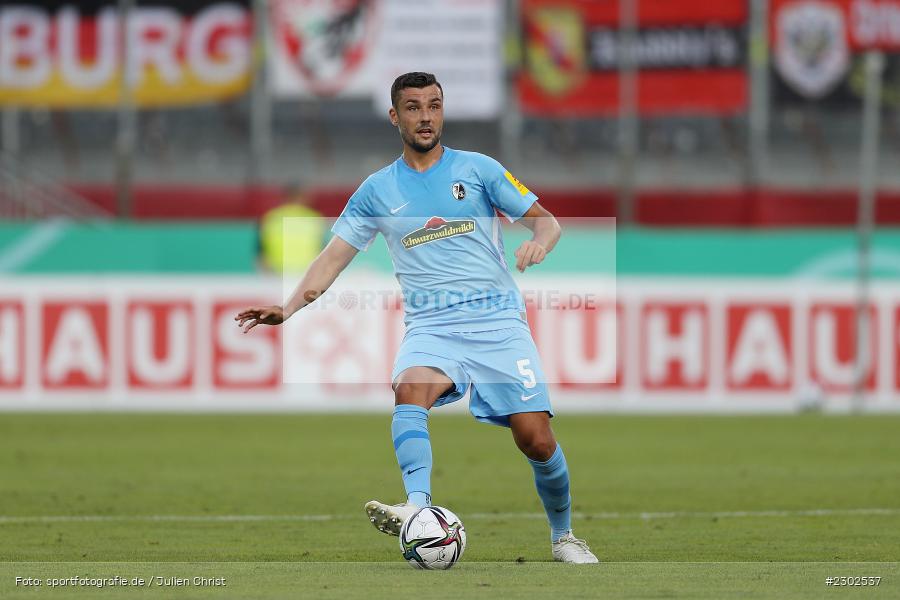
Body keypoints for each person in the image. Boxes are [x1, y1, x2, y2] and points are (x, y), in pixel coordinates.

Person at [235, 72, 598, 563]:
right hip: (432, 327)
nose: (425, 116)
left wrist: (540, 242)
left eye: (433, 105)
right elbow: (333, 257)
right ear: (395, 116)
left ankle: (563, 536)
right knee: (409, 388)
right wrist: (289, 306)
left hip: (497, 324)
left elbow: (546, 222)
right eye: (413, 107)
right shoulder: (376, 191)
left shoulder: (479, 169)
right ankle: (417, 506)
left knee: (535, 438)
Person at [257, 184, 325, 275]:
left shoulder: (271, 218)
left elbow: (261, 254)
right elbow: (323, 251)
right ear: (304, 197)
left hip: (278, 274)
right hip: (306, 274)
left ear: (285, 197)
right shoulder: (314, 218)